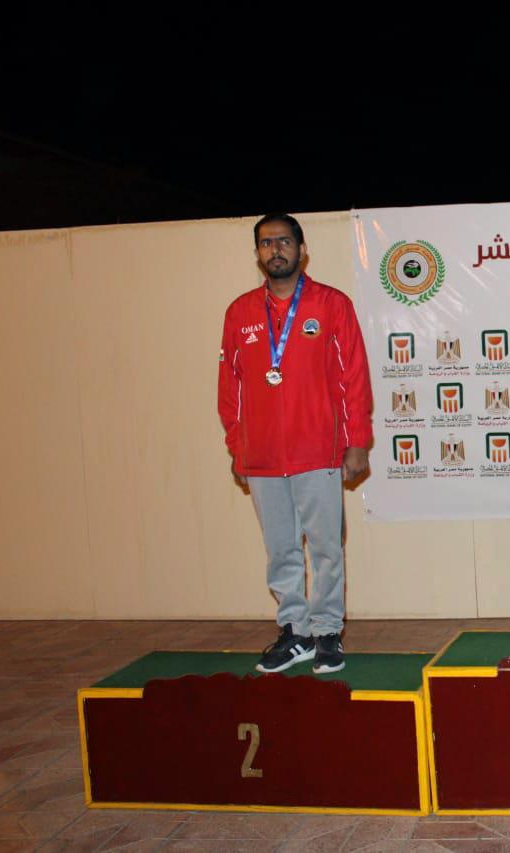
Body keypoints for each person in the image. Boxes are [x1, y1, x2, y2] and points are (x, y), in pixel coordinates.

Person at [218, 213, 372, 674]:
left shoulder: (332, 305)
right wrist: (238, 445)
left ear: (302, 250)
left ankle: (326, 632)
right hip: (262, 456)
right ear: (257, 254)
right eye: (266, 243)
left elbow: (354, 378)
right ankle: (295, 631)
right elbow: (229, 388)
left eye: (284, 241)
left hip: (318, 449)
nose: (276, 250)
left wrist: (357, 441)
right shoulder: (240, 312)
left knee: (326, 548)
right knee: (281, 549)